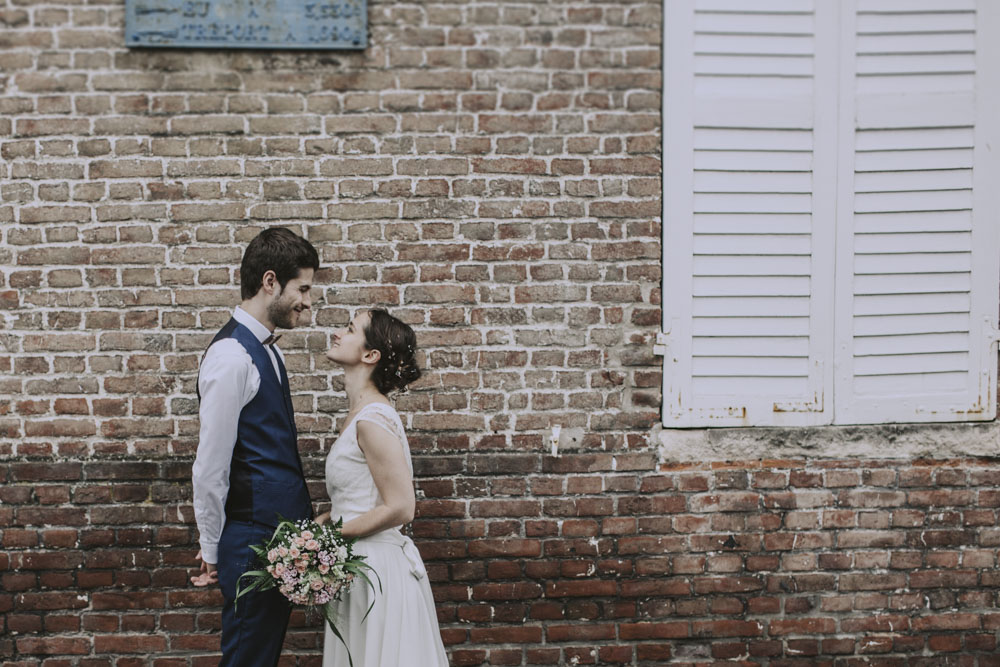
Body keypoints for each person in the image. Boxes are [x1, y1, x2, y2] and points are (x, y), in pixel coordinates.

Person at [190, 227, 320, 666]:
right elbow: (211, 466)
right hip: (252, 542)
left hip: (276, 540)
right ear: (270, 282)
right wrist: (211, 549)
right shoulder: (231, 356)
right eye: (302, 288)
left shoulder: (270, 351)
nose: (307, 301)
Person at [318, 308, 448, 667]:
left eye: (348, 330)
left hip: (376, 572)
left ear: (370, 355)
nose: (337, 334)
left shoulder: (373, 420)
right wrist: (324, 521)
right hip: (356, 566)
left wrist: (328, 538)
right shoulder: (362, 414)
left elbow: (402, 508)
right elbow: (362, 495)